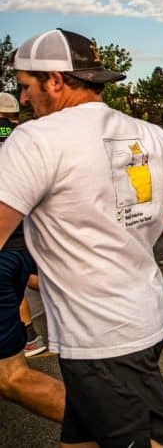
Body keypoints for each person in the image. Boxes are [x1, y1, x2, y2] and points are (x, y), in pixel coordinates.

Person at [0, 28, 163, 444]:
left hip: (100, 336)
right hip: (147, 314)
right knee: (81, 437)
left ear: (56, 80)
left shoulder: (35, 140)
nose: (23, 99)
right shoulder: (147, 132)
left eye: (25, 86)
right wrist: (138, 223)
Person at [0, 90, 65, 422]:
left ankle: (126, 430)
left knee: (9, 377)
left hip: (5, 248)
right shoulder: (26, 140)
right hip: (26, 243)